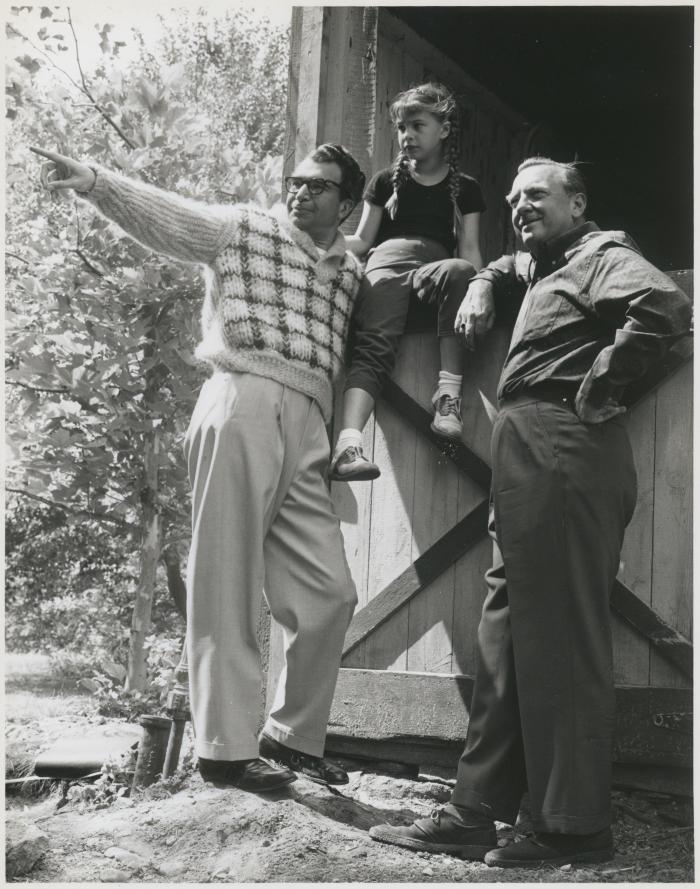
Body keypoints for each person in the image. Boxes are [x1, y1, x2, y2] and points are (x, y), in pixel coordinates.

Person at [368, 157, 692, 866]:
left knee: (561, 636)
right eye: (512, 198)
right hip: (527, 454)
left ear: (578, 203)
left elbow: (666, 306)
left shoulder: (603, 253)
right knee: (508, 634)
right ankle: (475, 810)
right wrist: (485, 279)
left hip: (564, 447)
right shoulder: (546, 265)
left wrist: (607, 377)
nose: (519, 206)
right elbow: (510, 262)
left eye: (536, 196)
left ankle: (574, 825)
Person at [32, 142, 367, 793]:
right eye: (295, 181)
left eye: (319, 187)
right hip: (242, 395)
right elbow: (171, 218)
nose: (300, 193)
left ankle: (292, 737)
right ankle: (224, 749)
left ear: (347, 203)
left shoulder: (349, 271)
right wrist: (96, 183)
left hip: (310, 421)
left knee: (330, 593)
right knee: (227, 575)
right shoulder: (247, 227)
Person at [330, 82, 486, 482]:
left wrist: (483, 287)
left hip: (434, 270)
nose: (407, 136)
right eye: (401, 128)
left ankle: (448, 395)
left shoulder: (465, 188)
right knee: (374, 346)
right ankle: (348, 445)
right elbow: (363, 240)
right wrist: (316, 237)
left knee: (462, 272)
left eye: (417, 125)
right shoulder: (386, 181)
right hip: (386, 267)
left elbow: (469, 252)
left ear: (444, 130)